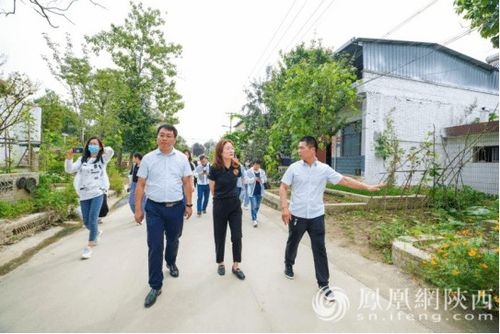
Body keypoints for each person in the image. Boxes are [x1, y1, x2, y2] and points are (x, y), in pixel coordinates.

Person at [280, 136, 384, 301]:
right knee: (293, 242)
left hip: (316, 216)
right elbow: (283, 187)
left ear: (312, 149)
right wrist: (285, 208)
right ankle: (288, 264)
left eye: (302, 148)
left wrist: (367, 187)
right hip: (297, 214)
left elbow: (345, 180)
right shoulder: (294, 168)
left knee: (320, 249)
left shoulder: (324, 169)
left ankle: (324, 284)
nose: (298, 151)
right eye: (298, 148)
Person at [135, 125, 194, 308]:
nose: (165, 139)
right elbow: (141, 185)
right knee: (154, 245)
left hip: (176, 207)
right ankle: (155, 285)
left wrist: (189, 204)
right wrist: (138, 209)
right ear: (157, 137)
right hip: (154, 208)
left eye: (169, 136)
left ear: (174, 139)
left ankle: (171, 262)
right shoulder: (148, 159)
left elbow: (187, 182)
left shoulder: (182, 159)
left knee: (174, 238)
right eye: (162, 135)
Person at [65, 137, 114, 260]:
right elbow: (69, 169)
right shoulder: (82, 160)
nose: (92, 146)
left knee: (92, 219)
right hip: (84, 195)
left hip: (97, 193)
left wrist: (101, 148)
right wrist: (69, 158)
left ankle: (89, 246)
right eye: (90, 144)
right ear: (87, 146)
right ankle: (96, 232)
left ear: (99, 146)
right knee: (86, 222)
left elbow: (110, 151)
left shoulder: (102, 159)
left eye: (95, 144)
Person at [208, 139, 245, 281]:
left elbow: (241, 183)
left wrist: (238, 197)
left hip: (235, 206)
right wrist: (221, 198)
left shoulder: (237, 166)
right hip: (220, 205)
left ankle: (236, 265)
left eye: (232, 148)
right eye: (228, 148)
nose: (231, 150)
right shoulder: (215, 168)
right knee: (220, 235)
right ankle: (221, 263)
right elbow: (212, 188)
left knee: (237, 236)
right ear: (221, 152)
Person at [246, 160, 267, 228]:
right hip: (252, 192)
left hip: (260, 191)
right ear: (253, 164)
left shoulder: (262, 171)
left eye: (258, 165)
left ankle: (254, 215)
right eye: (255, 164)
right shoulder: (249, 171)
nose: (257, 166)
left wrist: (261, 180)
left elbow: (265, 179)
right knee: (254, 205)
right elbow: (246, 181)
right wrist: (254, 179)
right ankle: (254, 219)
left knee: (257, 206)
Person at [128, 152, 146, 220]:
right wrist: (130, 185)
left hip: (142, 185)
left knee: (142, 201)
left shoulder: (144, 165)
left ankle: (141, 216)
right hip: (133, 184)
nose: (132, 159)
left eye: (133, 157)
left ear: (137, 158)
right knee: (131, 202)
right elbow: (131, 175)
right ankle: (137, 214)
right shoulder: (134, 165)